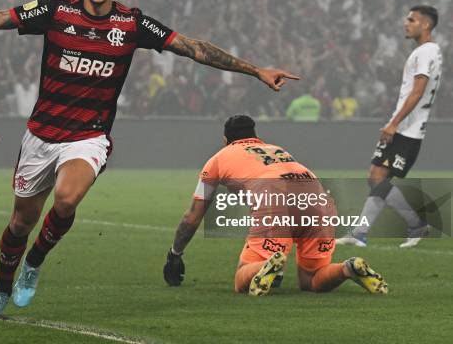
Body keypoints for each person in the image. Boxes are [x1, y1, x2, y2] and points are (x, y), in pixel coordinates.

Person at [0, 0, 299, 319]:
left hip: (89, 135)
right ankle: (0, 289)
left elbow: (193, 48)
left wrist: (255, 69)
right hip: (41, 135)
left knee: (66, 199)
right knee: (19, 223)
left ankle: (35, 263)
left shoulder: (132, 23)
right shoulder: (55, 11)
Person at [163, 115, 388, 296]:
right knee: (311, 280)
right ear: (256, 137)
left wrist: (175, 254)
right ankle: (348, 268)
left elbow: (192, 216)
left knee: (242, 278)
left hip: (274, 202)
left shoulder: (217, 160)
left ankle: (266, 266)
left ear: (225, 140)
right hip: (319, 201)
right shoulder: (276, 150)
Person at [336, 5, 442, 249]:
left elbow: (418, 91)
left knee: (376, 178)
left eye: (411, 20)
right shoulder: (427, 51)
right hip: (404, 127)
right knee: (377, 178)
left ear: (425, 25)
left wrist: (394, 123)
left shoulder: (425, 52)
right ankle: (360, 232)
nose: (406, 23)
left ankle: (416, 225)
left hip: (407, 130)